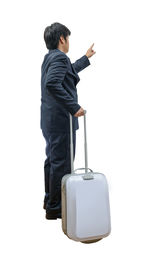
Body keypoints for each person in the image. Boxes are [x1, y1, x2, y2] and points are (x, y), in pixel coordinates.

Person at [40, 22, 96, 220]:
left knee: (53, 162)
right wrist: (74, 107)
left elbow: (66, 73)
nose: (68, 41)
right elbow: (52, 83)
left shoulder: (50, 58)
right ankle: (56, 208)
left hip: (50, 121)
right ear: (62, 38)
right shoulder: (60, 58)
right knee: (62, 164)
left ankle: (50, 200)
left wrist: (85, 58)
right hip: (61, 121)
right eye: (68, 38)